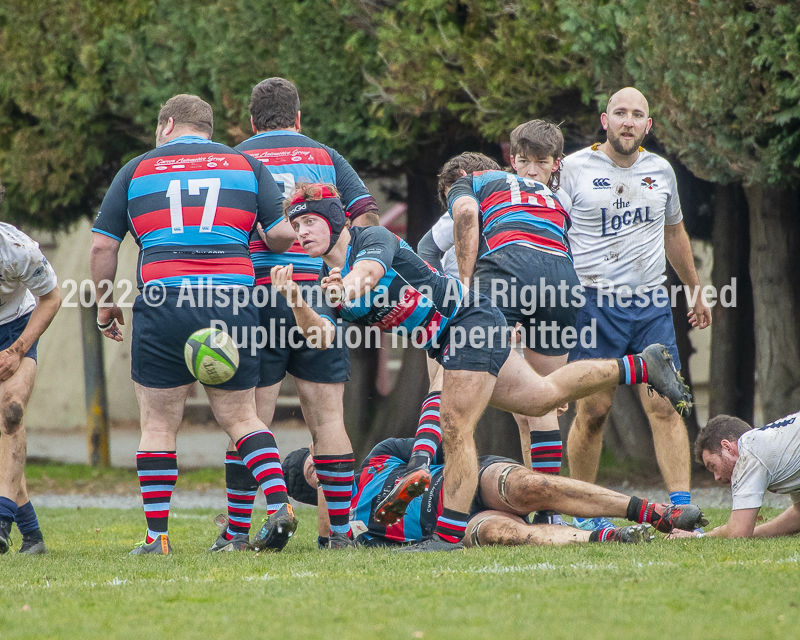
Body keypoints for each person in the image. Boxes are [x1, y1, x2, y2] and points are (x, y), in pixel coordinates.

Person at [270, 182, 691, 552]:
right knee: (541, 397)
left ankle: (447, 536)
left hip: (466, 322)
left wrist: (345, 286)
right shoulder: (326, 279)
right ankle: (641, 365)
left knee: (454, 426)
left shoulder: (370, 240)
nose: (301, 232)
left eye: (309, 222)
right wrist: (294, 298)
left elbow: (368, 274)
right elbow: (321, 335)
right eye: (296, 225)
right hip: (450, 339)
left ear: (334, 219)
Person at [89, 94, 300, 555]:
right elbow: (280, 236)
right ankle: (279, 504)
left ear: (167, 124)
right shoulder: (246, 166)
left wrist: (105, 307)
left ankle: (157, 538)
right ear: (208, 128)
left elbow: (103, 249)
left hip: (164, 300)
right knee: (242, 418)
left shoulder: (136, 170)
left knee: (159, 423)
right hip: (232, 300)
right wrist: (304, 219)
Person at [210, 78, 381, 551]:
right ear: (298, 117)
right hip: (319, 292)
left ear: (250, 121)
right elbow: (367, 216)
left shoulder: (234, 159)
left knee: (249, 419)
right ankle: (339, 535)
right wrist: (346, 267)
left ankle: (238, 533)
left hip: (259, 296)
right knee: (328, 419)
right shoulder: (326, 156)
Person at [560, 87, 711, 530]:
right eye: (620, 113)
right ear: (604, 120)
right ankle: (585, 515)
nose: (628, 121)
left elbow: (675, 234)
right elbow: (549, 229)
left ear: (649, 126)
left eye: (637, 115)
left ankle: (681, 512)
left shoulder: (661, 171)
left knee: (667, 404)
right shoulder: (572, 169)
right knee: (593, 412)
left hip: (650, 306)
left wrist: (696, 291)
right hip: (592, 304)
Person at [417, 126, 574, 498]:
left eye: (539, 162)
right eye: (524, 161)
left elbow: (443, 233)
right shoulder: (556, 197)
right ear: (511, 163)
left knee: (450, 383)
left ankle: (420, 467)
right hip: (560, 281)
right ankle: (547, 504)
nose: (531, 169)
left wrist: (462, 295)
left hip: (498, 284)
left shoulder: (475, 187)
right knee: (545, 397)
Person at [281, 437, 708, 548]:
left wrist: (422, 472)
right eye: (313, 471)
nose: (324, 466)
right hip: (454, 526)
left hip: (466, 480)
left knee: (529, 486)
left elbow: (444, 444)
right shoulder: (345, 527)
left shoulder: (378, 457)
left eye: (319, 457)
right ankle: (607, 537)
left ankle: (653, 512)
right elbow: (330, 542)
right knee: (500, 534)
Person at [0, 190, 62, 556]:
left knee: (11, 412)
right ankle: (32, 534)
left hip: (17, 328)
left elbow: (52, 298)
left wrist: (16, 350)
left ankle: (2, 521)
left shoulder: (18, 248)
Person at [691, 413, 800, 539]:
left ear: (727, 447)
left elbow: (738, 533)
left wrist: (698, 536)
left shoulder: (748, 452)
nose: (716, 477)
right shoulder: (782, 449)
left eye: (713, 466)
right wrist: (752, 533)